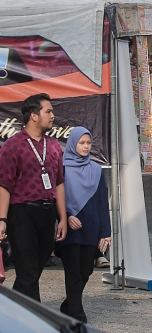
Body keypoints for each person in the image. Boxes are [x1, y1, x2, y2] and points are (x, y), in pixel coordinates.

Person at [0, 94, 68, 301]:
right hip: (22, 213)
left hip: (48, 213)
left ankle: (12, 309)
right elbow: (4, 185)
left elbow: (59, 183)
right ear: (34, 116)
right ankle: (36, 322)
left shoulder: (54, 145)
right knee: (27, 270)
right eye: (48, 111)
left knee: (34, 270)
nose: (52, 115)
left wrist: (62, 217)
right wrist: (2, 219)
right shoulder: (13, 145)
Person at [56, 126, 110, 322]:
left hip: (91, 227)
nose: (86, 146)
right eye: (82, 143)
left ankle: (68, 305)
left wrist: (106, 232)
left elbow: (103, 202)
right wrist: (67, 215)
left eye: (88, 143)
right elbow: (56, 197)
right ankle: (78, 315)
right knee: (73, 272)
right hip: (70, 228)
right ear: (73, 144)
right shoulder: (61, 168)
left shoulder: (96, 170)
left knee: (86, 270)